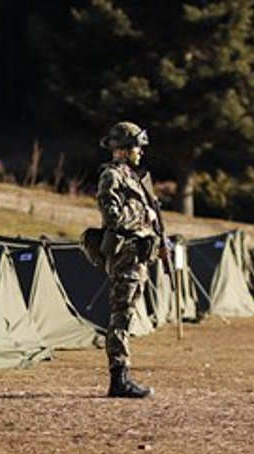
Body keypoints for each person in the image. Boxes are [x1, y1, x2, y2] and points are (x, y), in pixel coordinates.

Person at [96, 120, 165, 398]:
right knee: (120, 315)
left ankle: (122, 375)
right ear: (123, 150)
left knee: (126, 314)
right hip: (124, 257)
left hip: (136, 257)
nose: (141, 152)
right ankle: (119, 378)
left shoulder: (132, 177)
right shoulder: (112, 177)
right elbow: (112, 217)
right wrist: (143, 216)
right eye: (137, 147)